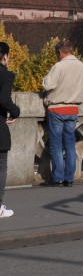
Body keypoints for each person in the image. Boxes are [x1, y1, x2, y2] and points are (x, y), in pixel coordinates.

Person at [41, 40, 83, 187]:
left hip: (57, 108)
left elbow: (47, 84)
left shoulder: (59, 66)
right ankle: (69, 178)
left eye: (57, 54)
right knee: (69, 144)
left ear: (60, 52)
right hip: (73, 109)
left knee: (56, 144)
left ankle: (58, 178)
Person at [0, 42, 20, 218]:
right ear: (5, 56)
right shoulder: (5, 75)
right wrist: (15, 112)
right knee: (1, 167)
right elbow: (4, 100)